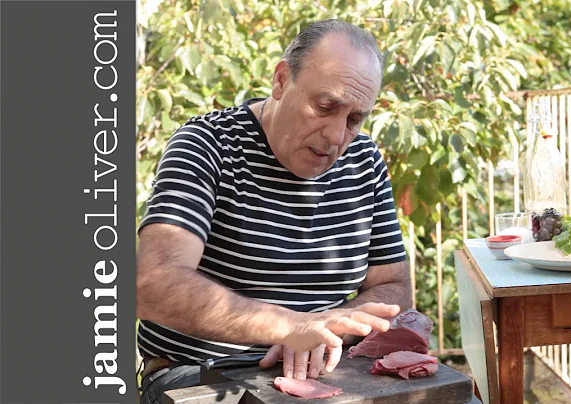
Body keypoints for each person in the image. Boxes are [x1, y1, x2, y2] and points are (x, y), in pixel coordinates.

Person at [136, 19, 413, 404]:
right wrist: (288, 327)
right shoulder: (206, 145)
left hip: (323, 376)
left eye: (353, 119)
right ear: (281, 81)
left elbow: (395, 289)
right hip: (197, 374)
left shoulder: (363, 161)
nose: (336, 137)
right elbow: (153, 284)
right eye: (325, 106)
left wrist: (324, 331)